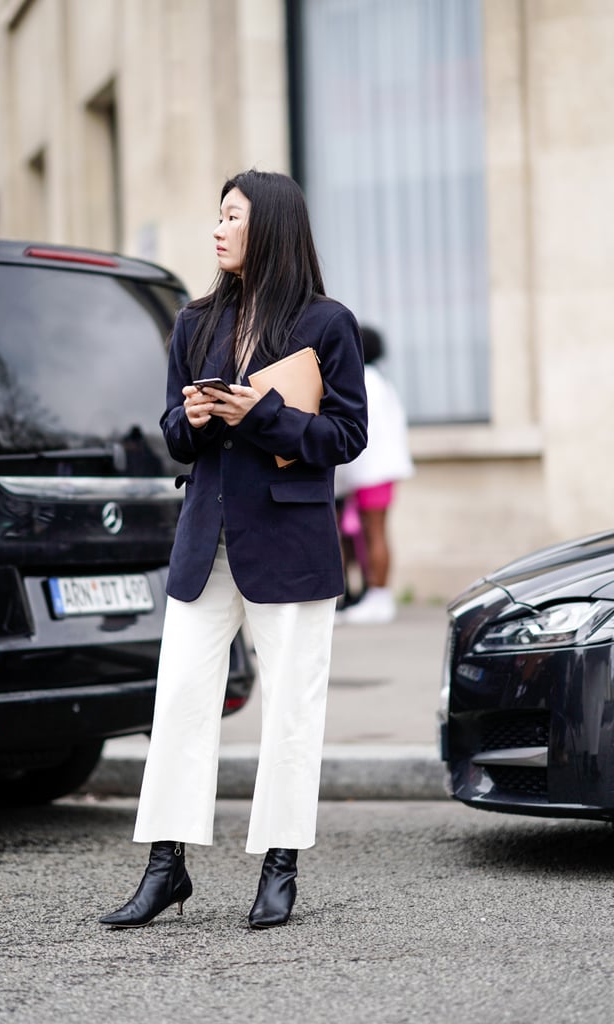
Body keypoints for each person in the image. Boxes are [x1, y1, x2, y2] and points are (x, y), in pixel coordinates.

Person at [100, 170, 368, 931]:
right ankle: (165, 866)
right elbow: (177, 438)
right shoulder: (193, 321)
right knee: (179, 701)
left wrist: (265, 413)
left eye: (230, 216)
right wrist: (193, 414)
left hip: (290, 544)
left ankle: (279, 867)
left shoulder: (326, 323)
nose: (216, 229)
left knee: (290, 709)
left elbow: (345, 438)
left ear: (270, 227)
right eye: (216, 216)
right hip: (204, 543)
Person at [334, 325, 413, 625]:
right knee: (364, 535)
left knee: (374, 532)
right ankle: (368, 595)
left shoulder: (367, 381)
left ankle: (379, 597)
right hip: (371, 472)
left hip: (372, 471)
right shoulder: (378, 380)